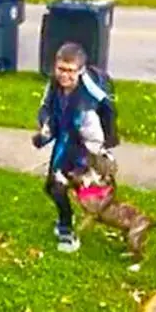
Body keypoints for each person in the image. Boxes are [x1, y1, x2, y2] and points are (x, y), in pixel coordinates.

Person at [31, 42, 112, 253]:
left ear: (81, 71)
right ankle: (67, 219)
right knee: (52, 187)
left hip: (84, 152)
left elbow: (96, 137)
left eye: (70, 71)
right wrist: (46, 126)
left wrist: (88, 163)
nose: (64, 75)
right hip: (63, 145)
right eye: (61, 69)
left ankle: (68, 232)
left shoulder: (87, 103)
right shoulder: (54, 87)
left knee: (75, 191)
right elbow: (45, 108)